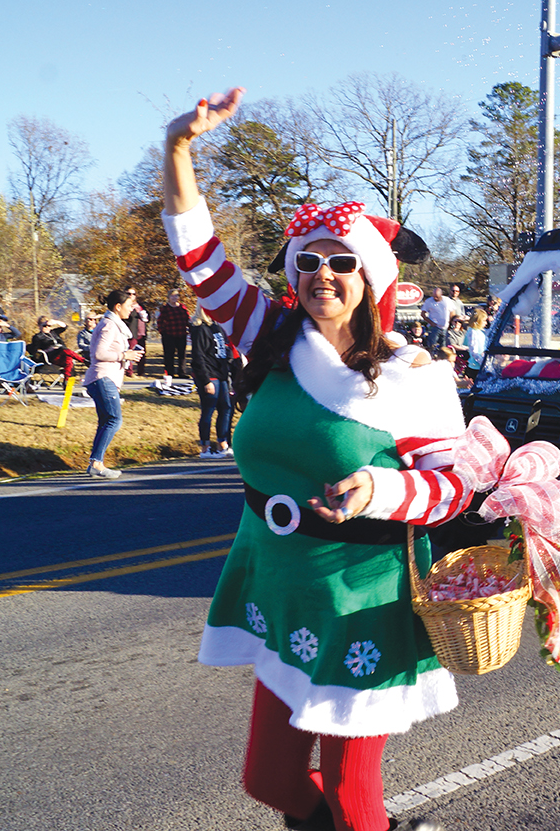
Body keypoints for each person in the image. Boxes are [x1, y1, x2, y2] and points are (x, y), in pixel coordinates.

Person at [161, 88, 479, 831]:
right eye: (308, 263)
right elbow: (200, 259)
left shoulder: (414, 374)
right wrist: (179, 149)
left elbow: (453, 489)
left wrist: (379, 489)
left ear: (372, 278)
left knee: (349, 786)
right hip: (278, 581)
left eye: (342, 262)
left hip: (365, 594)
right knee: (269, 778)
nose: (322, 275)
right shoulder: (271, 335)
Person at [83, 290, 145, 479]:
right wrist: (124, 355)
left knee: (105, 422)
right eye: (128, 306)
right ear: (118, 307)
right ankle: (96, 463)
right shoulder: (110, 325)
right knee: (114, 420)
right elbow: (98, 354)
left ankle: (96, 463)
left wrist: (128, 354)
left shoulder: (112, 324)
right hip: (103, 377)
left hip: (103, 378)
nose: (131, 309)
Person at [190, 309, 234, 458]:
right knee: (208, 409)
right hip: (209, 375)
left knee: (226, 407)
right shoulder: (200, 328)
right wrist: (205, 380)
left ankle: (223, 444)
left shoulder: (218, 327)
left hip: (221, 374)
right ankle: (205, 447)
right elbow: (198, 356)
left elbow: (226, 348)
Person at [157, 289, 192, 379]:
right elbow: (160, 322)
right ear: (168, 297)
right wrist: (163, 332)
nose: (174, 297)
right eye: (172, 296)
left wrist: (191, 328)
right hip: (169, 334)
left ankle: (182, 372)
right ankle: (170, 373)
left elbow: (187, 319)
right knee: (169, 355)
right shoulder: (165, 309)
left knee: (182, 355)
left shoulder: (182, 307)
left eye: (176, 295)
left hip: (181, 334)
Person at [420, 286, 460, 352]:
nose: (435, 298)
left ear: (441, 294)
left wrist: (451, 323)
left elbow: (452, 312)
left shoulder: (447, 301)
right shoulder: (429, 301)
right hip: (434, 327)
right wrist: (431, 322)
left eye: (437, 297)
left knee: (443, 347)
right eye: (434, 296)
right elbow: (423, 314)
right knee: (433, 346)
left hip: (445, 327)